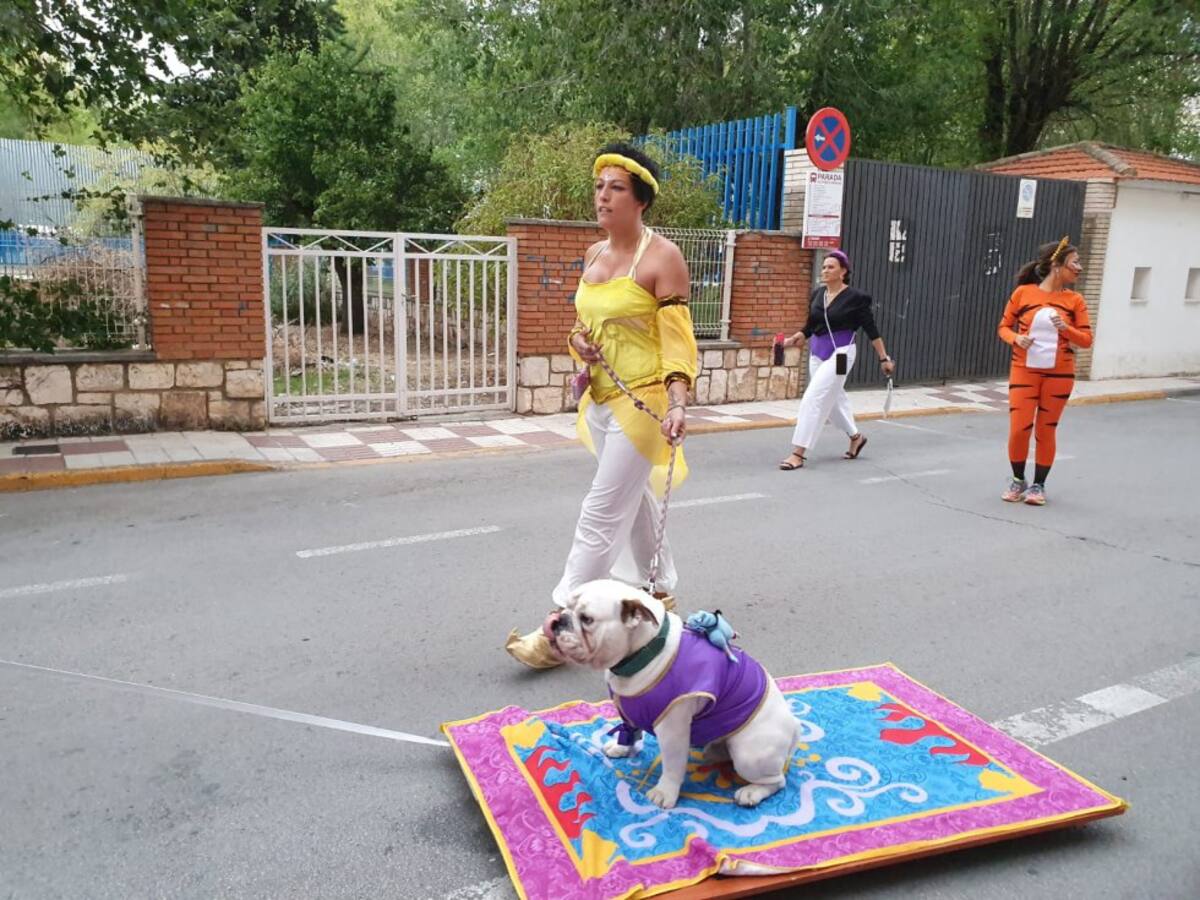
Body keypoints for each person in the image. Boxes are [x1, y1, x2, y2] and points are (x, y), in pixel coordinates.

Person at [505, 142, 698, 669]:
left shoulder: (662, 258)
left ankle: (558, 625)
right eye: (598, 187)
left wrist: (678, 402)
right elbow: (582, 324)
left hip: (646, 402)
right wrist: (579, 344)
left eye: (615, 188)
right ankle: (660, 590)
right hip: (601, 397)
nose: (602, 197)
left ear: (641, 200)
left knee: (601, 510)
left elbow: (678, 340)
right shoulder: (594, 255)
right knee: (634, 499)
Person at [778, 250, 895, 470]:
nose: (825, 270)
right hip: (817, 353)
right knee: (834, 399)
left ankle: (798, 453)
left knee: (813, 397)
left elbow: (871, 330)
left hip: (841, 354)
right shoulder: (818, 294)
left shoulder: (856, 298)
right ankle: (856, 437)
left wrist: (884, 358)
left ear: (843, 272)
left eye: (830, 267)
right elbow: (811, 324)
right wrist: (798, 336)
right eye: (824, 267)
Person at [997, 237, 1092, 506]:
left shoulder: (1075, 300)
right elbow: (1003, 328)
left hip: (1059, 374)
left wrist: (1066, 328)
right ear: (1056, 266)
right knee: (1019, 428)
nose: (1080, 268)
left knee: (1046, 429)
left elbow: (1086, 340)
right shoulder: (1023, 293)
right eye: (1075, 263)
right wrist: (1016, 338)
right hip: (1023, 371)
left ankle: (1039, 485)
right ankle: (1018, 479)